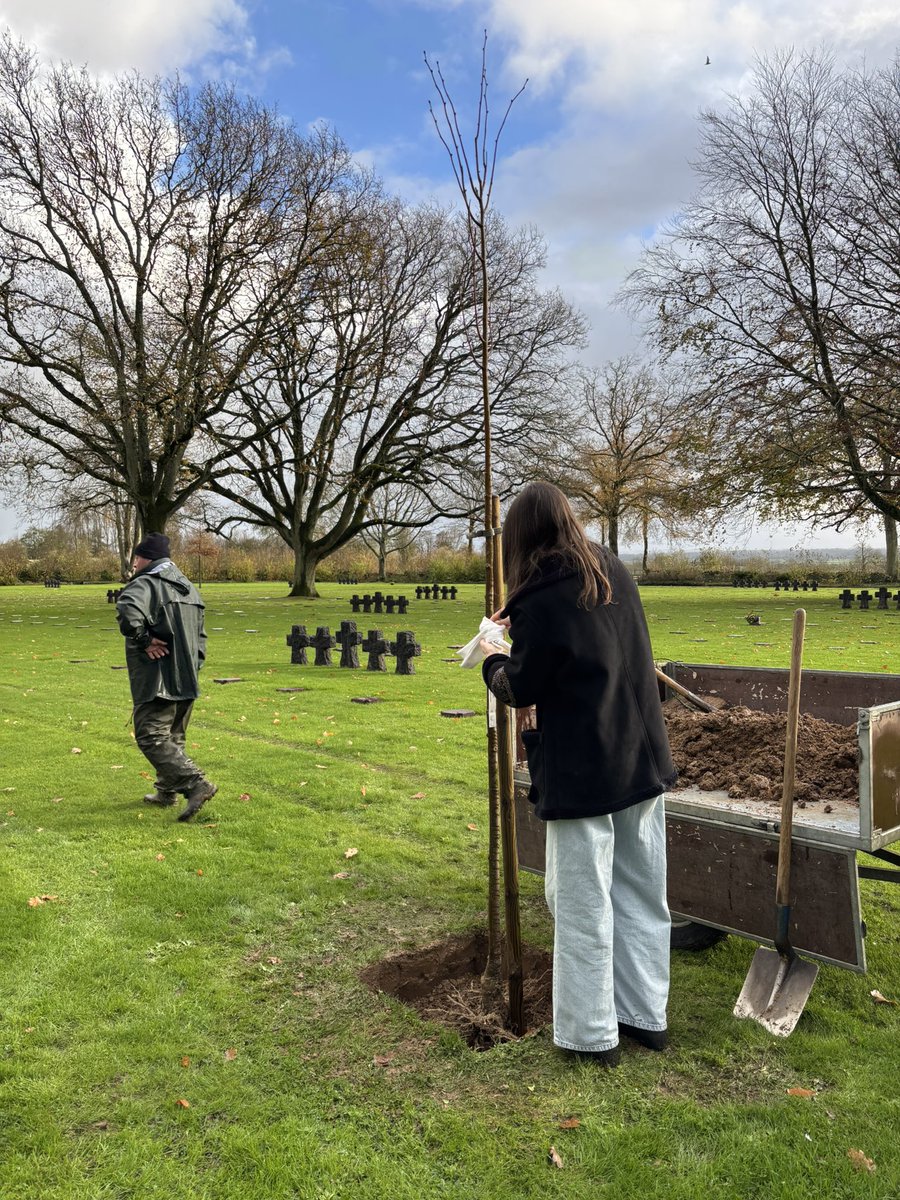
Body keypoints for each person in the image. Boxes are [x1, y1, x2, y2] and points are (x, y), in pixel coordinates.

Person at [480, 482, 676, 1067]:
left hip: (583, 767)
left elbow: (519, 686)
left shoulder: (540, 598)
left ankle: (591, 1037)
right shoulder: (611, 570)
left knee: (582, 902)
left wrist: (492, 653)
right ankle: (645, 1017)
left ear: (519, 538)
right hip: (639, 754)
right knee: (642, 892)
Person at [115, 532, 217, 823]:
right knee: (173, 735)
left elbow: (127, 610)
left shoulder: (146, 583)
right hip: (187, 674)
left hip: (158, 676)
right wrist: (194, 665)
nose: (134, 564)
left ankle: (196, 784)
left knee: (151, 735)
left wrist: (145, 640)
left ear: (146, 558)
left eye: (137, 558)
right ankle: (166, 791)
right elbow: (201, 635)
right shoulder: (188, 588)